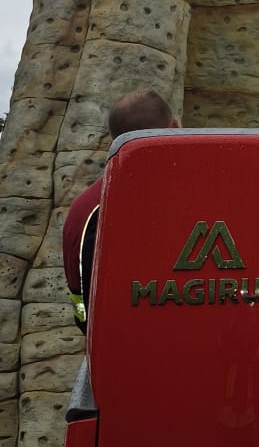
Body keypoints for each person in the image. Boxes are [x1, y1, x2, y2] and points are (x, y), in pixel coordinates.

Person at [62, 87, 177, 329]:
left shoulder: (82, 209)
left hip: (110, 344)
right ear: (174, 127)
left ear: (115, 141)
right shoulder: (188, 197)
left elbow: (79, 302)